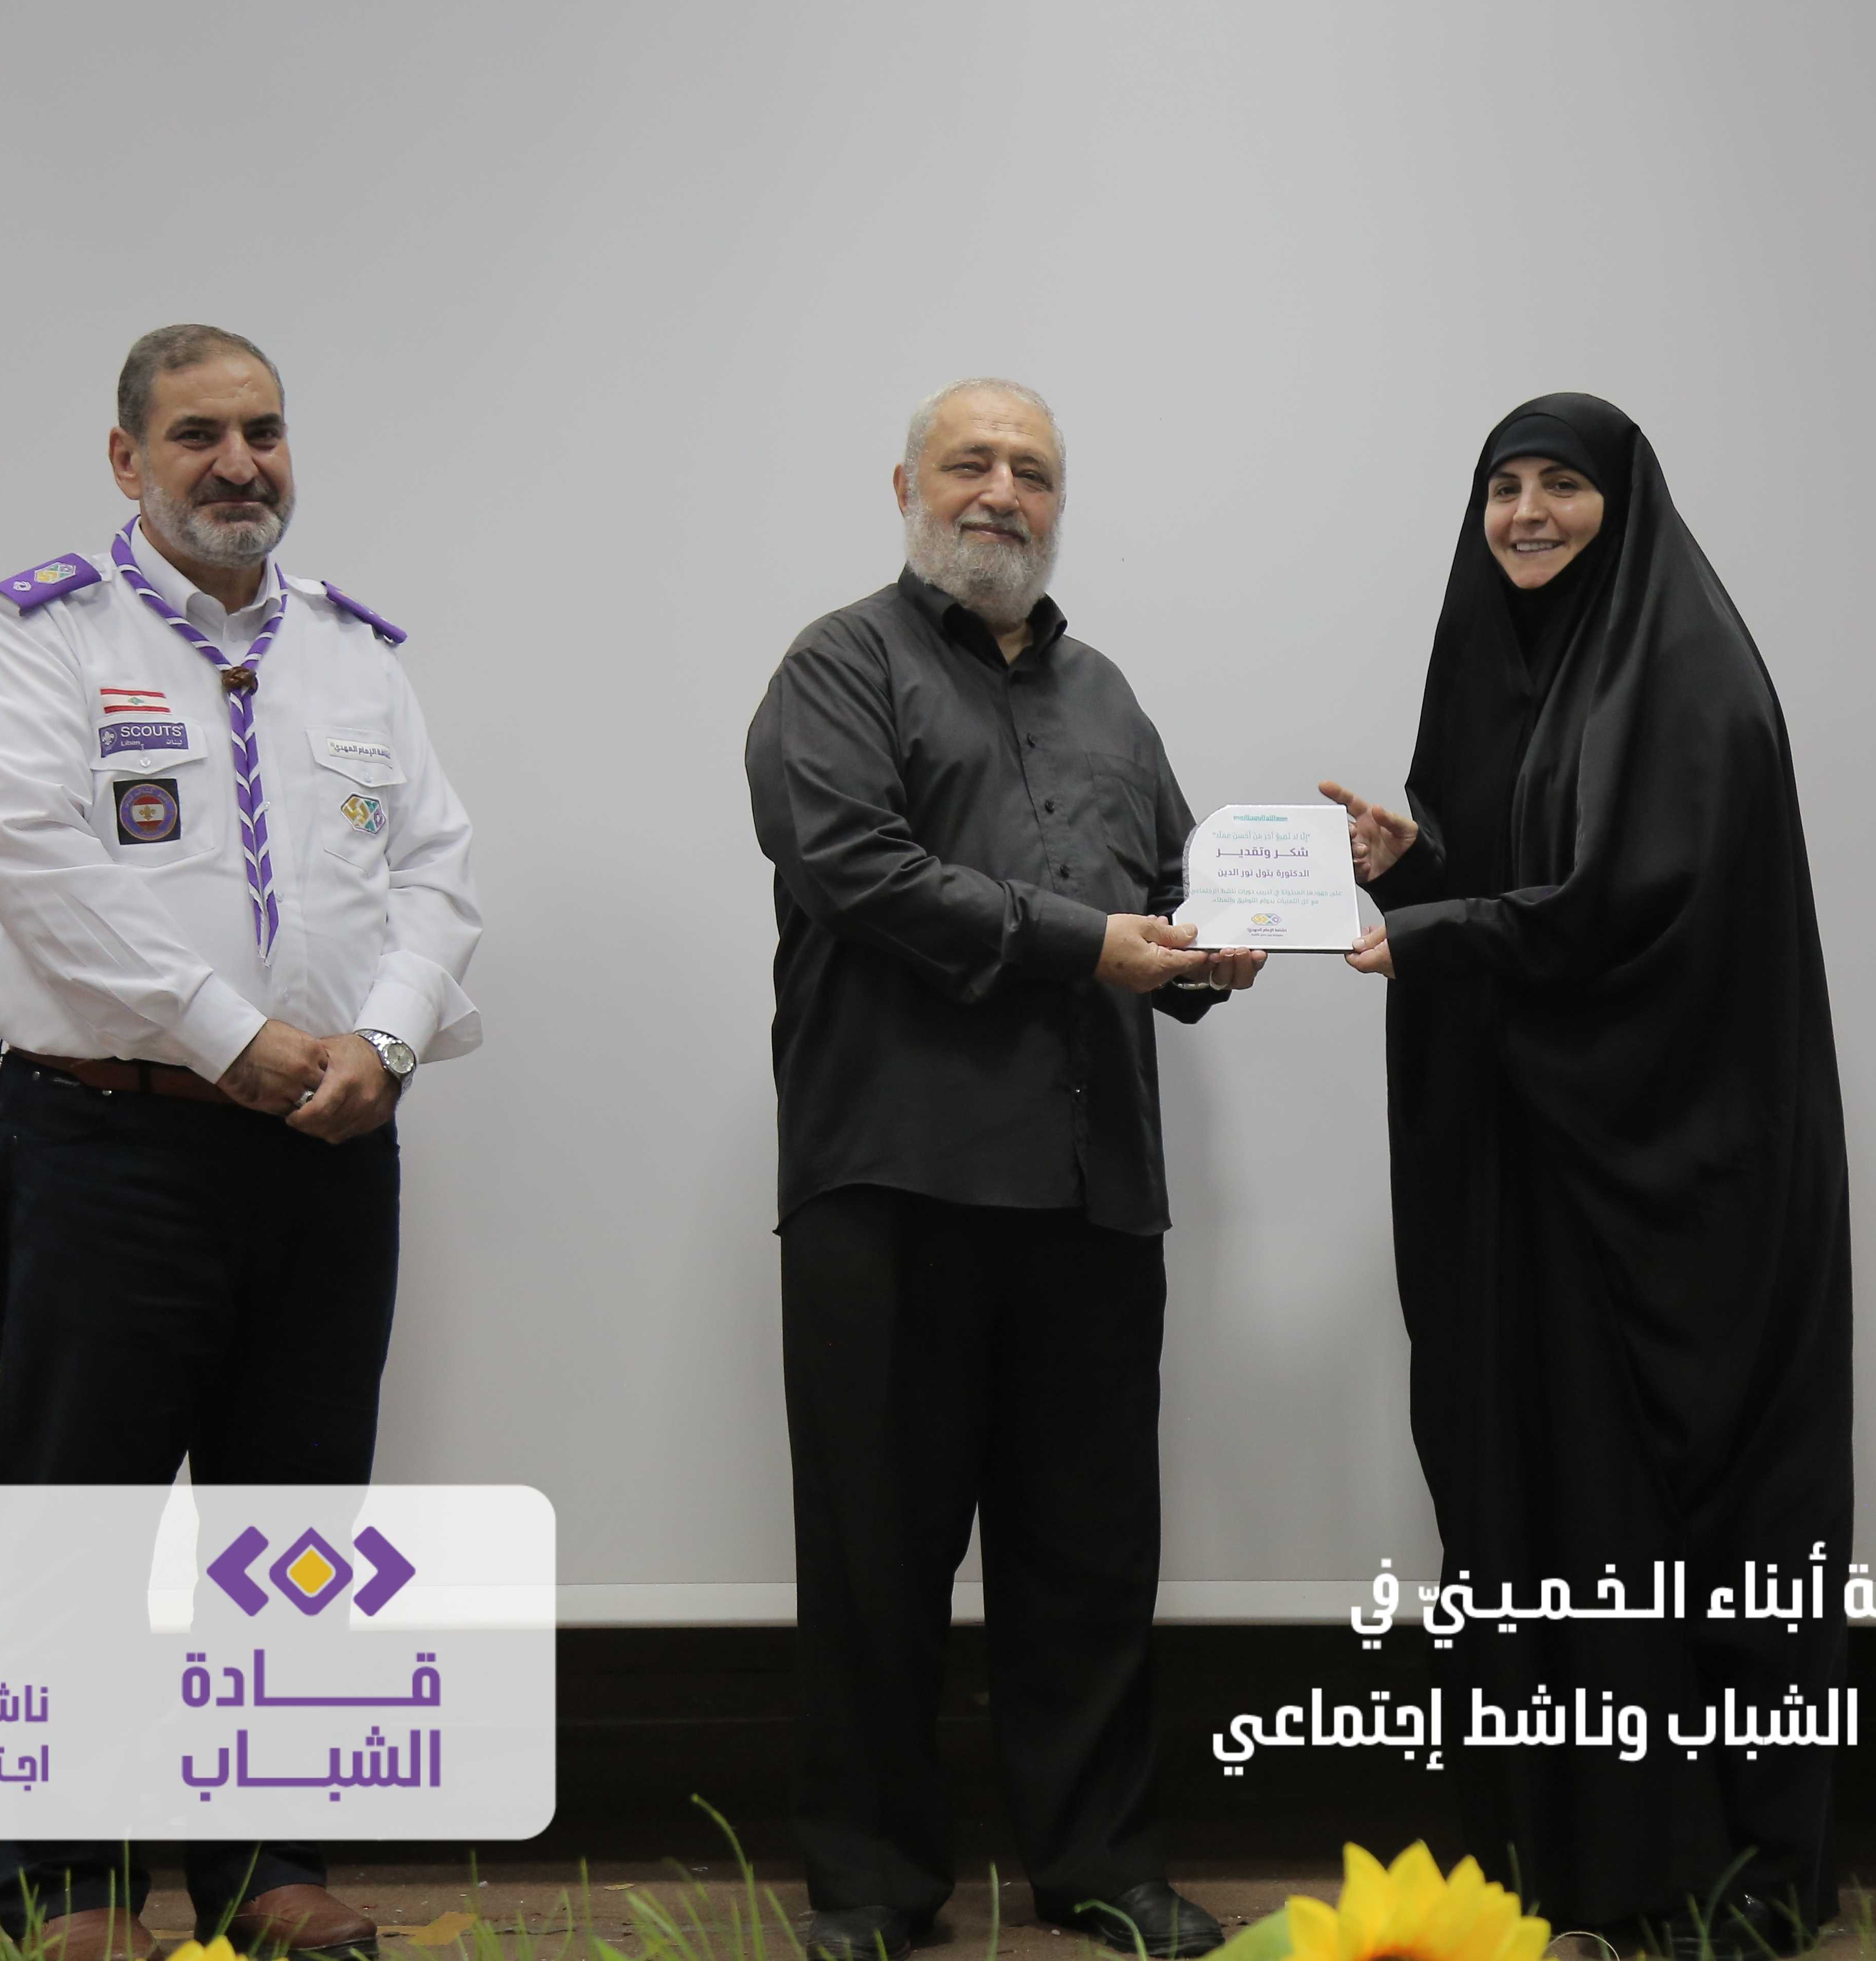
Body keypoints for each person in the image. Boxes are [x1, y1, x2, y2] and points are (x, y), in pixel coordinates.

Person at [0, 323, 482, 1961]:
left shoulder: (354, 652)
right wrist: (226, 1033)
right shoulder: (44, 633)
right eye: (198, 435)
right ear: (129, 459)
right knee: (81, 1521)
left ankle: (266, 1866)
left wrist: (388, 1040)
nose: (240, 463)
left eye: (263, 429)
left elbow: (437, 872)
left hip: (327, 1148)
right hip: (111, 1136)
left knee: (296, 1528)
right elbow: (28, 853)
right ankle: (71, 1879)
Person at [1320, 394, 1850, 1950]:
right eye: (1504, 486)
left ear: (1627, 506)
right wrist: (1421, 868)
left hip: (1672, 1196)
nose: (1528, 514)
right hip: (1542, 1177)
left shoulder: (1692, 679)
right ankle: (1582, 1861)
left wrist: (1439, 934)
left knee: (1667, 1515)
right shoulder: (1516, 672)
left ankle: (1709, 1873)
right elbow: (1540, 885)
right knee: (1542, 1499)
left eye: (1564, 484)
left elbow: (1638, 911)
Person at [744, 378, 1256, 1961]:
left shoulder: (1111, 698)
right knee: (875, 1557)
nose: (1001, 492)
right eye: (970, 462)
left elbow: (1166, 893)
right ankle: (872, 1886)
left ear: (1057, 503)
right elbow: (857, 868)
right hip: (894, 1180)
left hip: (1092, 1193)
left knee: (1091, 1557)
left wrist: (1224, 938)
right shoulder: (840, 665)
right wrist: (1091, 943)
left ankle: (1099, 1862)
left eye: (1031, 470)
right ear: (906, 486)